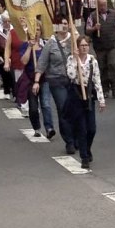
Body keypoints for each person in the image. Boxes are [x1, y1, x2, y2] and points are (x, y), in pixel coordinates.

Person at [33, 17, 76, 154]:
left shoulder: (74, 40)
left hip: (73, 80)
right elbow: (42, 63)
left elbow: (83, 51)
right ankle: (69, 141)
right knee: (63, 109)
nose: (63, 26)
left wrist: (75, 34)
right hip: (56, 80)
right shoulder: (50, 43)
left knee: (75, 110)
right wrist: (36, 81)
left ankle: (76, 138)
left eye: (65, 23)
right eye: (61, 24)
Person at [65, 35, 105, 169]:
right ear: (78, 47)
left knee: (91, 128)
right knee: (81, 128)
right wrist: (76, 61)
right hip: (76, 93)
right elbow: (70, 75)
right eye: (82, 45)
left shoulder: (92, 61)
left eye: (86, 45)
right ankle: (84, 157)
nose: (84, 48)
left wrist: (101, 100)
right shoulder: (71, 59)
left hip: (88, 94)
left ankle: (87, 148)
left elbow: (97, 80)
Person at [19, 21, 55, 138]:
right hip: (30, 79)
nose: (36, 32)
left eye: (38, 30)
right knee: (33, 108)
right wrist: (30, 47)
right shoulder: (25, 45)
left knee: (45, 104)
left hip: (44, 80)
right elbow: (24, 61)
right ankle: (37, 128)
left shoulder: (45, 44)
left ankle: (49, 128)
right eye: (34, 30)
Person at [85, 0, 115, 99]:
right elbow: (87, 31)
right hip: (100, 46)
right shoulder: (93, 16)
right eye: (101, 5)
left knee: (112, 64)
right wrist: (94, 28)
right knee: (102, 67)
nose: (103, 7)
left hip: (111, 45)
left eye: (104, 5)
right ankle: (105, 89)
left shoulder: (113, 14)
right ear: (97, 5)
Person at [0, 12, 15, 100]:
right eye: (5, 21)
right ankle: (6, 91)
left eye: (9, 21)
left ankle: (15, 92)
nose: (7, 23)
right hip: (2, 55)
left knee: (13, 74)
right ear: (2, 22)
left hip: (13, 54)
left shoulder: (14, 30)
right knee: (5, 74)